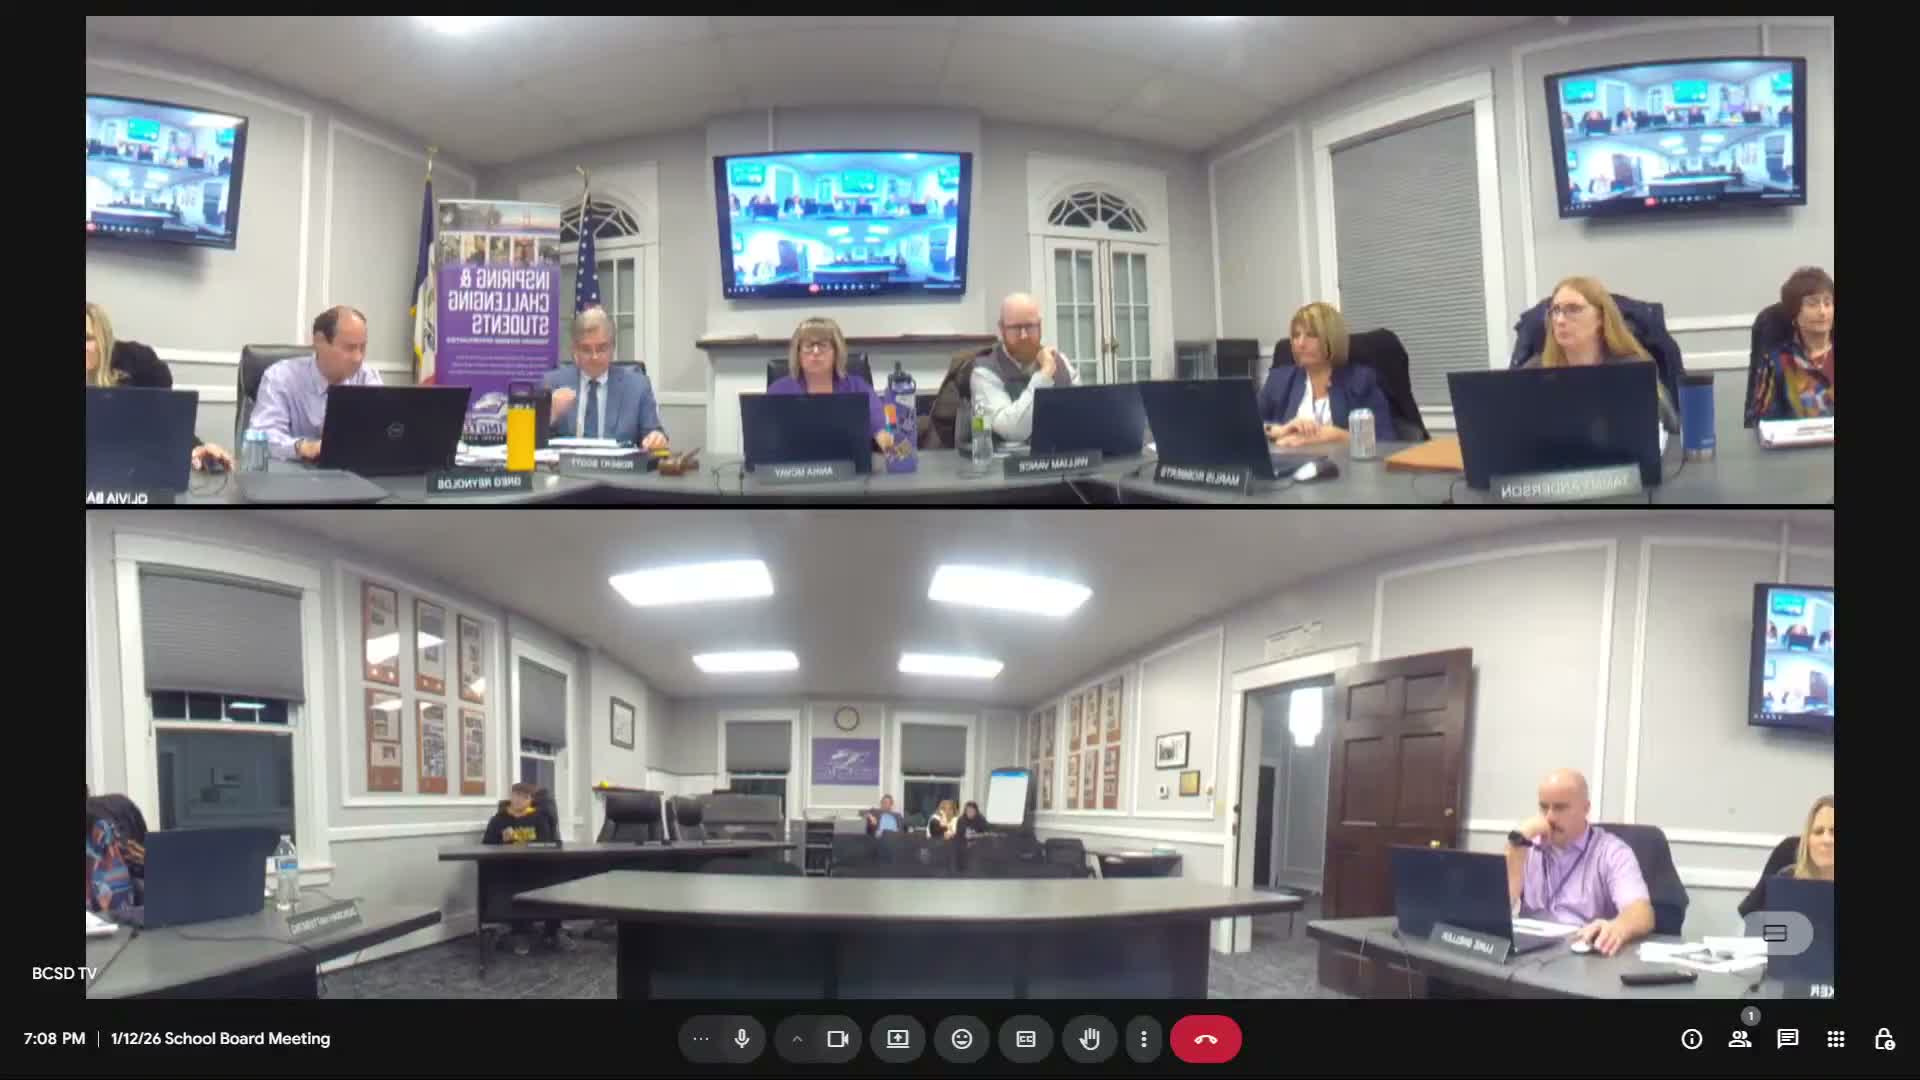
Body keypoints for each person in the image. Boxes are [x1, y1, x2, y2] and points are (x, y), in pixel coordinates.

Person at [1505, 768, 1654, 957]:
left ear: (1586, 808)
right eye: (1543, 807)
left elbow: (1641, 912)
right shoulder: (1527, 846)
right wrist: (1517, 844)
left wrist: (1619, 927)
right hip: (1529, 953)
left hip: (1580, 953)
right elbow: (1498, 908)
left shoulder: (1612, 852)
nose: (1549, 817)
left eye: (1560, 808)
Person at [1519, 276, 1681, 436]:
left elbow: (1670, 427)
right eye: (1555, 310)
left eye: (1573, 309)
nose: (1560, 320)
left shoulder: (1632, 370)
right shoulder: (1534, 371)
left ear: (1601, 317)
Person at [86, 302, 234, 471]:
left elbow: (164, 423)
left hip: (130, 472)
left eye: (88, 338)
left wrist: (195, 449)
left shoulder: (137, 363)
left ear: (104, 339)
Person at [246, 305, 382, 462]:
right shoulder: (280, 377)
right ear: (320, 341)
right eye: (349, 348)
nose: (358, 358)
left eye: (362, 348)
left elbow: (381, 430)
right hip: (294, 471)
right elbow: (262, 435)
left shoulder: (367, 377)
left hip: (351, 470)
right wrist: (302, 447)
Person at [1260, 301, 1398, 448]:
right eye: (1296, 335)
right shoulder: (1279, 380)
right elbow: (1247, 427)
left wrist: (1338, 436)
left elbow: (1385, 439)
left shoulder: (1360, 380)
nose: (1300, 343)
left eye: (1311, 335)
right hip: (1290, 461)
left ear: (1332, 338)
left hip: (1342, 462)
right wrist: (1280, 430)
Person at [543, 307, 668, 448]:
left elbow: (653, 432)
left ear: (612, 348)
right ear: (575, 350)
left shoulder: (637, 387)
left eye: (601, 348)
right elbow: (528, 441)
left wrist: (656, 438)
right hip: (566, 462)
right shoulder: (552, 383)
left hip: (618, 463)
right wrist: (550, 414)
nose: (594, 357)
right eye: (586, 349)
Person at [767, 316, 893, 452]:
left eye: (823, 345)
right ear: (798, 353)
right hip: (793, 463)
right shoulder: (779, 390)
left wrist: (890, 445)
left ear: (836, 352)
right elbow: (765, 438)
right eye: (808, 346)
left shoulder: (857, 387)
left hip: (849, 462)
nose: (815, 352)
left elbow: (881, 428)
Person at [970, 292, 1077, 446]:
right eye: (1015, 328)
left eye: (1030, 326)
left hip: (1062, 456)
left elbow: (1081, 416)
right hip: (1007, 460)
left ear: (1040, 326)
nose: (1024, 335)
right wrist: (1044, 375)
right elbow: (1013, 432)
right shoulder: (985, 373)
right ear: (1001, 329)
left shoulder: (1060, 362)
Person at [483, 782, 575, 955]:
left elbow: (546, 842)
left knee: (554, 882)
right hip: (510, 868)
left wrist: (517, 836)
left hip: (538, 866)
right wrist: (502, 840)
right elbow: (487, 844)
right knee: (514, 884)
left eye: (524, 797)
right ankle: (520, 932)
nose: (518, 800)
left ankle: (553, 930)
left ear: (530, 800)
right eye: (515, 795)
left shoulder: (539, 817)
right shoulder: (499, 819)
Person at [1748, 266, 1834, 422]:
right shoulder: (1776, 362)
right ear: (1795, 313)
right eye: (1812, 304)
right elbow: (1761, 422)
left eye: (1827, 303)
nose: (1822, 312)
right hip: (1797, 438)